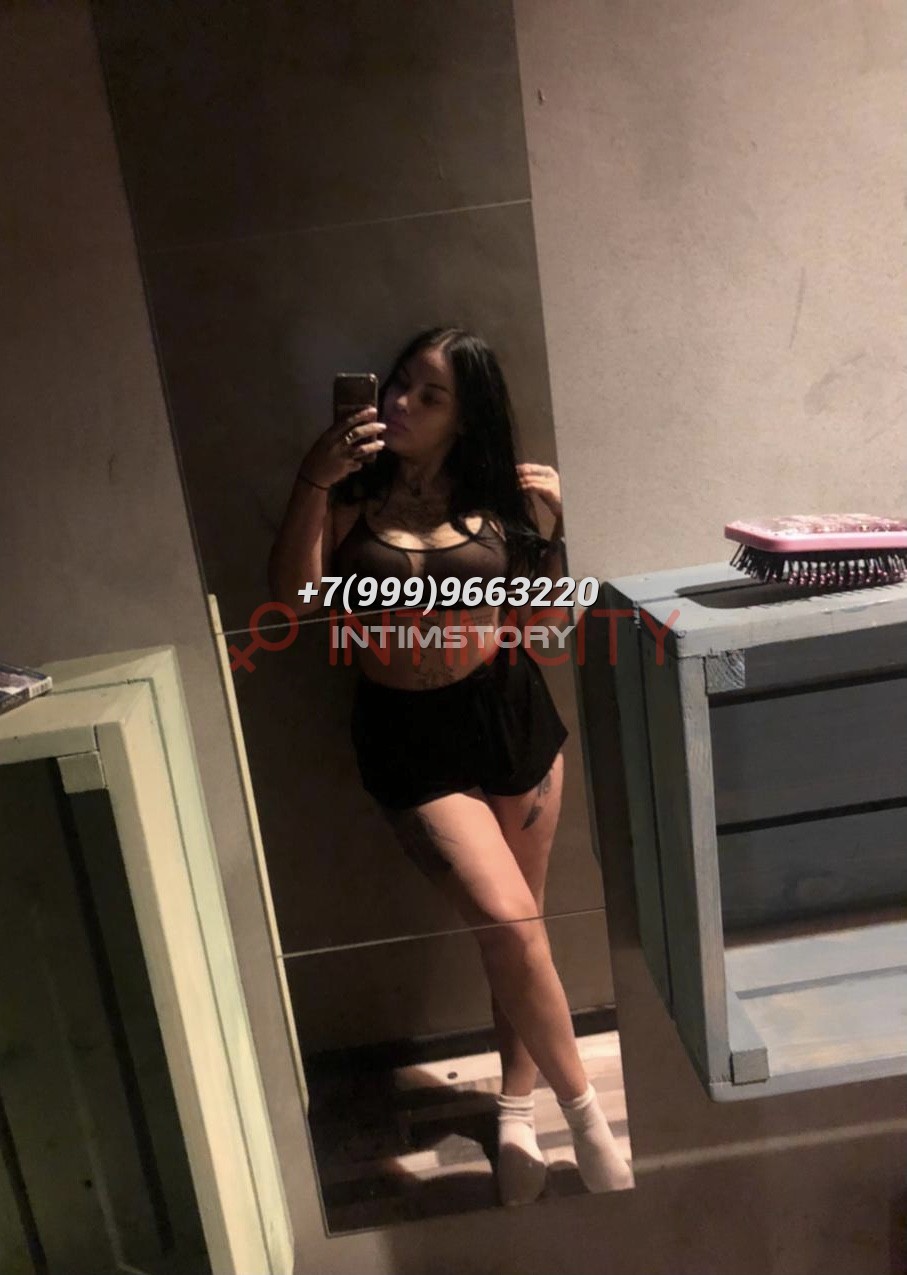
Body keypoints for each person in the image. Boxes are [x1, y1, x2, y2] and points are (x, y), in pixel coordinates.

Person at [268, 326, 633, 1205]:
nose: (400, 403)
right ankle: (586, 1119)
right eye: (399, 383)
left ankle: (514, 1109)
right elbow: (296, 601)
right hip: (409, 737)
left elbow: (543, 624)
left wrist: (562, 526)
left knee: (519, 930)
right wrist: (312, 478)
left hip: (507, 716)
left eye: (429, 395)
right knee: (508, 922)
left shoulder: (497, 499)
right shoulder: (351, 494)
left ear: (464, 418)